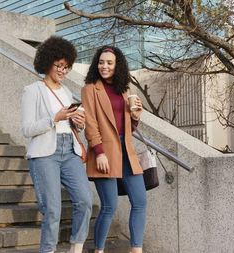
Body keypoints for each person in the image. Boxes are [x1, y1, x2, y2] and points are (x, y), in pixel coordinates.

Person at [21, 36, 92, 253]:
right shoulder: (32, 90)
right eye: (59, 65)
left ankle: (76, 249)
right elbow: (27, 129)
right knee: (52, 210)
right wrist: (55, 118)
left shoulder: (67, 92)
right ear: (47, 62)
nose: (63, 71)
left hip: (69, 150)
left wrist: (78, 123)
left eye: (67, 67)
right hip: (45, 154)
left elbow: (70, 124)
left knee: (85, 201)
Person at [81, 46, 146, 253]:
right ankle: (98, 250)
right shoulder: (90, 88)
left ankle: (136, 250)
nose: (104, 66)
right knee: (109, 207)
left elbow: (128, 127)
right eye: (101, 62)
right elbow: (90, 123)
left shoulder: (124, 89)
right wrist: (99, 151)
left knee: (140, 202)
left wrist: (135, 117)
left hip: (126, 150)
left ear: (118, 65)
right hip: (104, 151)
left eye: (109, 62)